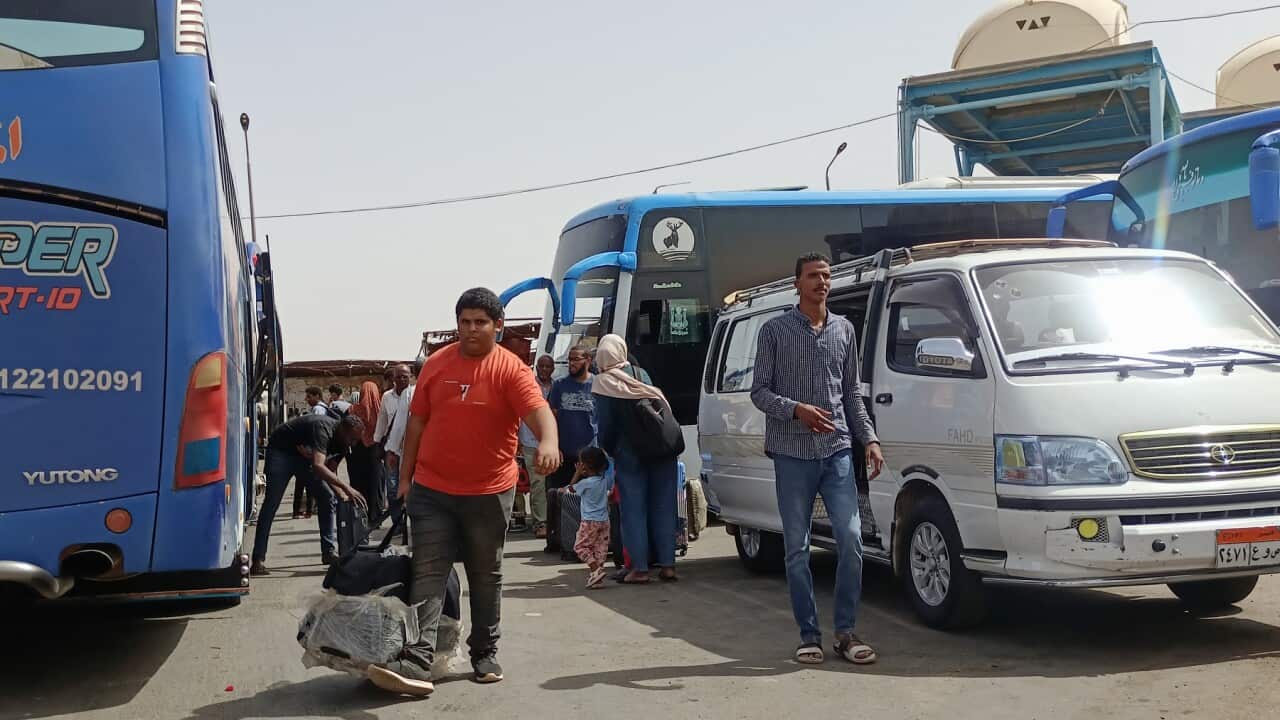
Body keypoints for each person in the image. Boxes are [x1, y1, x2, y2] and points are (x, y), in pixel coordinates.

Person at [368, 288, 560, 697]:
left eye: (480, 323)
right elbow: (415, 426)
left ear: (498, 326)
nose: (471, 330)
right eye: (465, 322)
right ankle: (418, 660)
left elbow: (539, 413)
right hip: (433, 490)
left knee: (485, 574)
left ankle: (485, 653)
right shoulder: (437, 365)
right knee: (429, 572)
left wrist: (548, 442)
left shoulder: (511, 369)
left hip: (489, 492)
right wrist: (406, 479)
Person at [750, 252, 885, 666]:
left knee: (851, 538)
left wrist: (871, 439)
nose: (821, 282)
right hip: (792, 454)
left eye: (826, 276)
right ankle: (809, 634)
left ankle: (845, 632)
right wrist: (797, 410)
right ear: (797, 283)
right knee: (798, 548)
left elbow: (851, 395)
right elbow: (759, 392)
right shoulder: (774, 331)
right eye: (813, 276)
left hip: (838, 449)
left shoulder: (844, 330)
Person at [592, 334, 680, 584]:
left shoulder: (603, 383)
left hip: (629, 453)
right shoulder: (641, 374)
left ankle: (640, 569)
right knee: (664, 506)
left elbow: (605, 426)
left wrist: (610, 450)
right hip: (661, 449)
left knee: (633, 510)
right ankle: (668, 565)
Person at [250, 414, 368, 576]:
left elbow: (330, 471)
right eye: (352, 439)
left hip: (303, 459)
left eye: (356, 440)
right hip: (281, 452)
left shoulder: (344, 443)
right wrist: (348, 488)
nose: (353, 443)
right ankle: (258, 560)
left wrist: (342, 494)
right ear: (342, 430)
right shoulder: (322, 429)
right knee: (271, 504)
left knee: (327, 497)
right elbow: (319, 466)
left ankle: (328, 552)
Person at [546, 345, 595, 492]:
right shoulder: (559, 385)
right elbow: (551, 417)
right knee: (560, 497)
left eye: (576, 359)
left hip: (590, 456)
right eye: (569, 359)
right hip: (564, 455)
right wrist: (554, 445)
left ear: (588, 360)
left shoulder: (599, 384)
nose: (571, 363)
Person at [566, 446, 613, 589]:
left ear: (585, 465)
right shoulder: (604, 480)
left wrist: (577, 473)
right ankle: (596, 578)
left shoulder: (585, 483)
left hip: (589, 521)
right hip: (604, 521)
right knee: (600, 548)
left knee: (580, 547)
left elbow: (571, 488)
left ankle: (595, 569)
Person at [519, 355, 555, 538]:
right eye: (541, 366)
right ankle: (541, 522)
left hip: (554, 443)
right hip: (531, 442)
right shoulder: (528, 386)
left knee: (552, 483)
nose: (545, 370)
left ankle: (554, 521)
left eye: (548, 366)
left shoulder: (557, 387)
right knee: (538, 483)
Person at [377, 364, 415, 530]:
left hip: (413, 450)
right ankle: (397, 525)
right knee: (392, 489)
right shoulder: (387, 397)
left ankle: (414, 524)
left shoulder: (416, 394)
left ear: (411, 377)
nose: (401, 379)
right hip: (393, 450)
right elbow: (382, 420)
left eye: (405, 376)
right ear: (393, 378)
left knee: (413, 488)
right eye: (398, 376)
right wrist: (378, 442)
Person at [347, 380, 385, 516]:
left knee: (358, 482)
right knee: (375, 483)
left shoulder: (352, 409)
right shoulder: (381, 409)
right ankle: (375, 515)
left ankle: (360, 513)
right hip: (376, 450)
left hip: (356, 451)